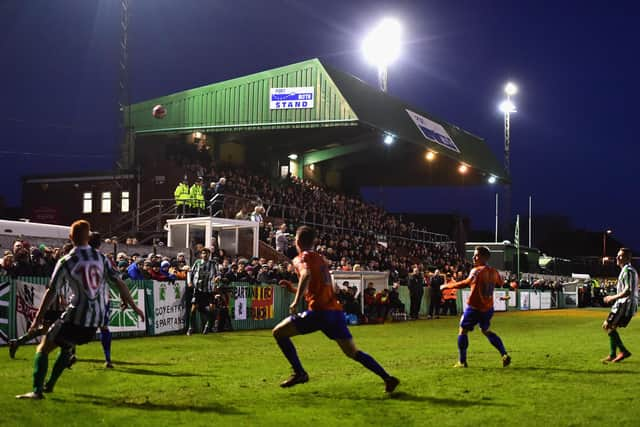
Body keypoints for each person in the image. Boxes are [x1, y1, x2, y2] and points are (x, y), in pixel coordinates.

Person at [16, 220, 144, 399]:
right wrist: (134, 306)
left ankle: (37, 391)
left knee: (43, 348)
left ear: (71, 237)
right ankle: (50, 385)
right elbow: (119, 282)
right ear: (88, 237)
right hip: (94, 323)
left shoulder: (67, 260)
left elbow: (51, 290)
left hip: (76, 316)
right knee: (66, 346)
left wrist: (38, 318)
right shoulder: (102, 258)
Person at [272, 226, 399, 392]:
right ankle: (388, 378)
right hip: (335, 312)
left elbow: (306, 275)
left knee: (278, 332)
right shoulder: (321, 260)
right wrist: (294, 290)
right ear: (313, 241)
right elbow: (319, 289)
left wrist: (295, 301)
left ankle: (300, 373)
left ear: (297, 241)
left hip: (319, 313)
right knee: (353, 352)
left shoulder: (300, 258)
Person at [440, 246, 511, 368]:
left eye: (476, 255)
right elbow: (500, 283)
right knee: (486, 330)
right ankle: (504, 354)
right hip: (488, 308)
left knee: (463, 330)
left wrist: (447, 286)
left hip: (474, 307)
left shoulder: (476, 270)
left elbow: (465, 283)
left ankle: (462, 361)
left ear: (484, 257)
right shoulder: (494, 272)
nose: (473, 257)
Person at [601, 248, 638, 363]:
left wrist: (612, 297)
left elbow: (628, 291)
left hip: (625, 304)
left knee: (607, 326)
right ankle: (613, 354)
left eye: (620, 256)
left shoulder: (628, 270)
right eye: (617, 255)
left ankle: (623, 351)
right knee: (611, 327)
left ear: (628, 258)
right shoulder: (626, 270)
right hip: (623, 303)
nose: (617, 258)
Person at [187, 248, 217, 335]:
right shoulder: (197, 263)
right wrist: (189, 282)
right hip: (198, 289)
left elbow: (218, 274)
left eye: (207, 253)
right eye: (203, 253)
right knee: (193, 309)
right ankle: (190, 328)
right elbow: (190, 272)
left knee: (211, 308)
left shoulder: (213, 263)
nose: (205, 255)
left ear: (209, 255)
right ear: (201, 255)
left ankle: (208, 326)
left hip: (209, 289)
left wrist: (217, 279)